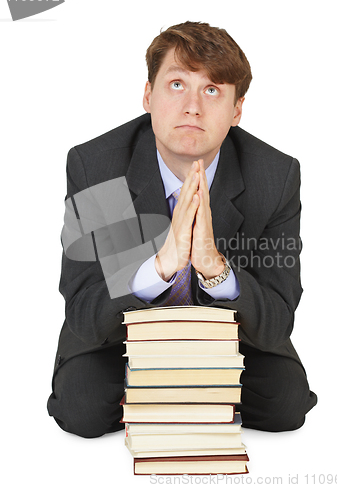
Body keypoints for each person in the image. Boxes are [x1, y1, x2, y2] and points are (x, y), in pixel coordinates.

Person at [47, 21, 317, 438]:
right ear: (147, 96)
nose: (193, 106)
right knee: (81, 407)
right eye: (176, 84)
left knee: (285, 404)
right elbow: (84, 312)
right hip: (120, 334)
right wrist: (157, 268)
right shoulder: (98, 167)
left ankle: (181, 397)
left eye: (212, 90)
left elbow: (277, 319)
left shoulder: (275, 175)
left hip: (231, 336)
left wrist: (214, 268)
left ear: (237, 110)